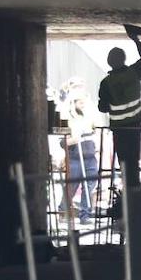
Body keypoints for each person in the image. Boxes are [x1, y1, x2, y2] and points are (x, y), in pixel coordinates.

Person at [98, 24, 141, 190]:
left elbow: (103, 107)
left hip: (119, 130)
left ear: (109, 62)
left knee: (124, 164)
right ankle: (135, 193)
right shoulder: (134, 73)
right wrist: (135, 40)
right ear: (123, 59)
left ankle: (129, 193)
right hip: (135, 127)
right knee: (133, 160)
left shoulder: (106, 83)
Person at [58, 78, 99, 223]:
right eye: (79, 102)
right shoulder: (65, 116)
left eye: (84, 101)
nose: (83, 104)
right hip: (75, 155)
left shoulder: (90, 113)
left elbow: (95, 129)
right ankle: (63, 211)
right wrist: (73, 139)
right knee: (72, 185)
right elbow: (62, 142)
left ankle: (85, 215)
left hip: (89, 153)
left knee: (90, 183)